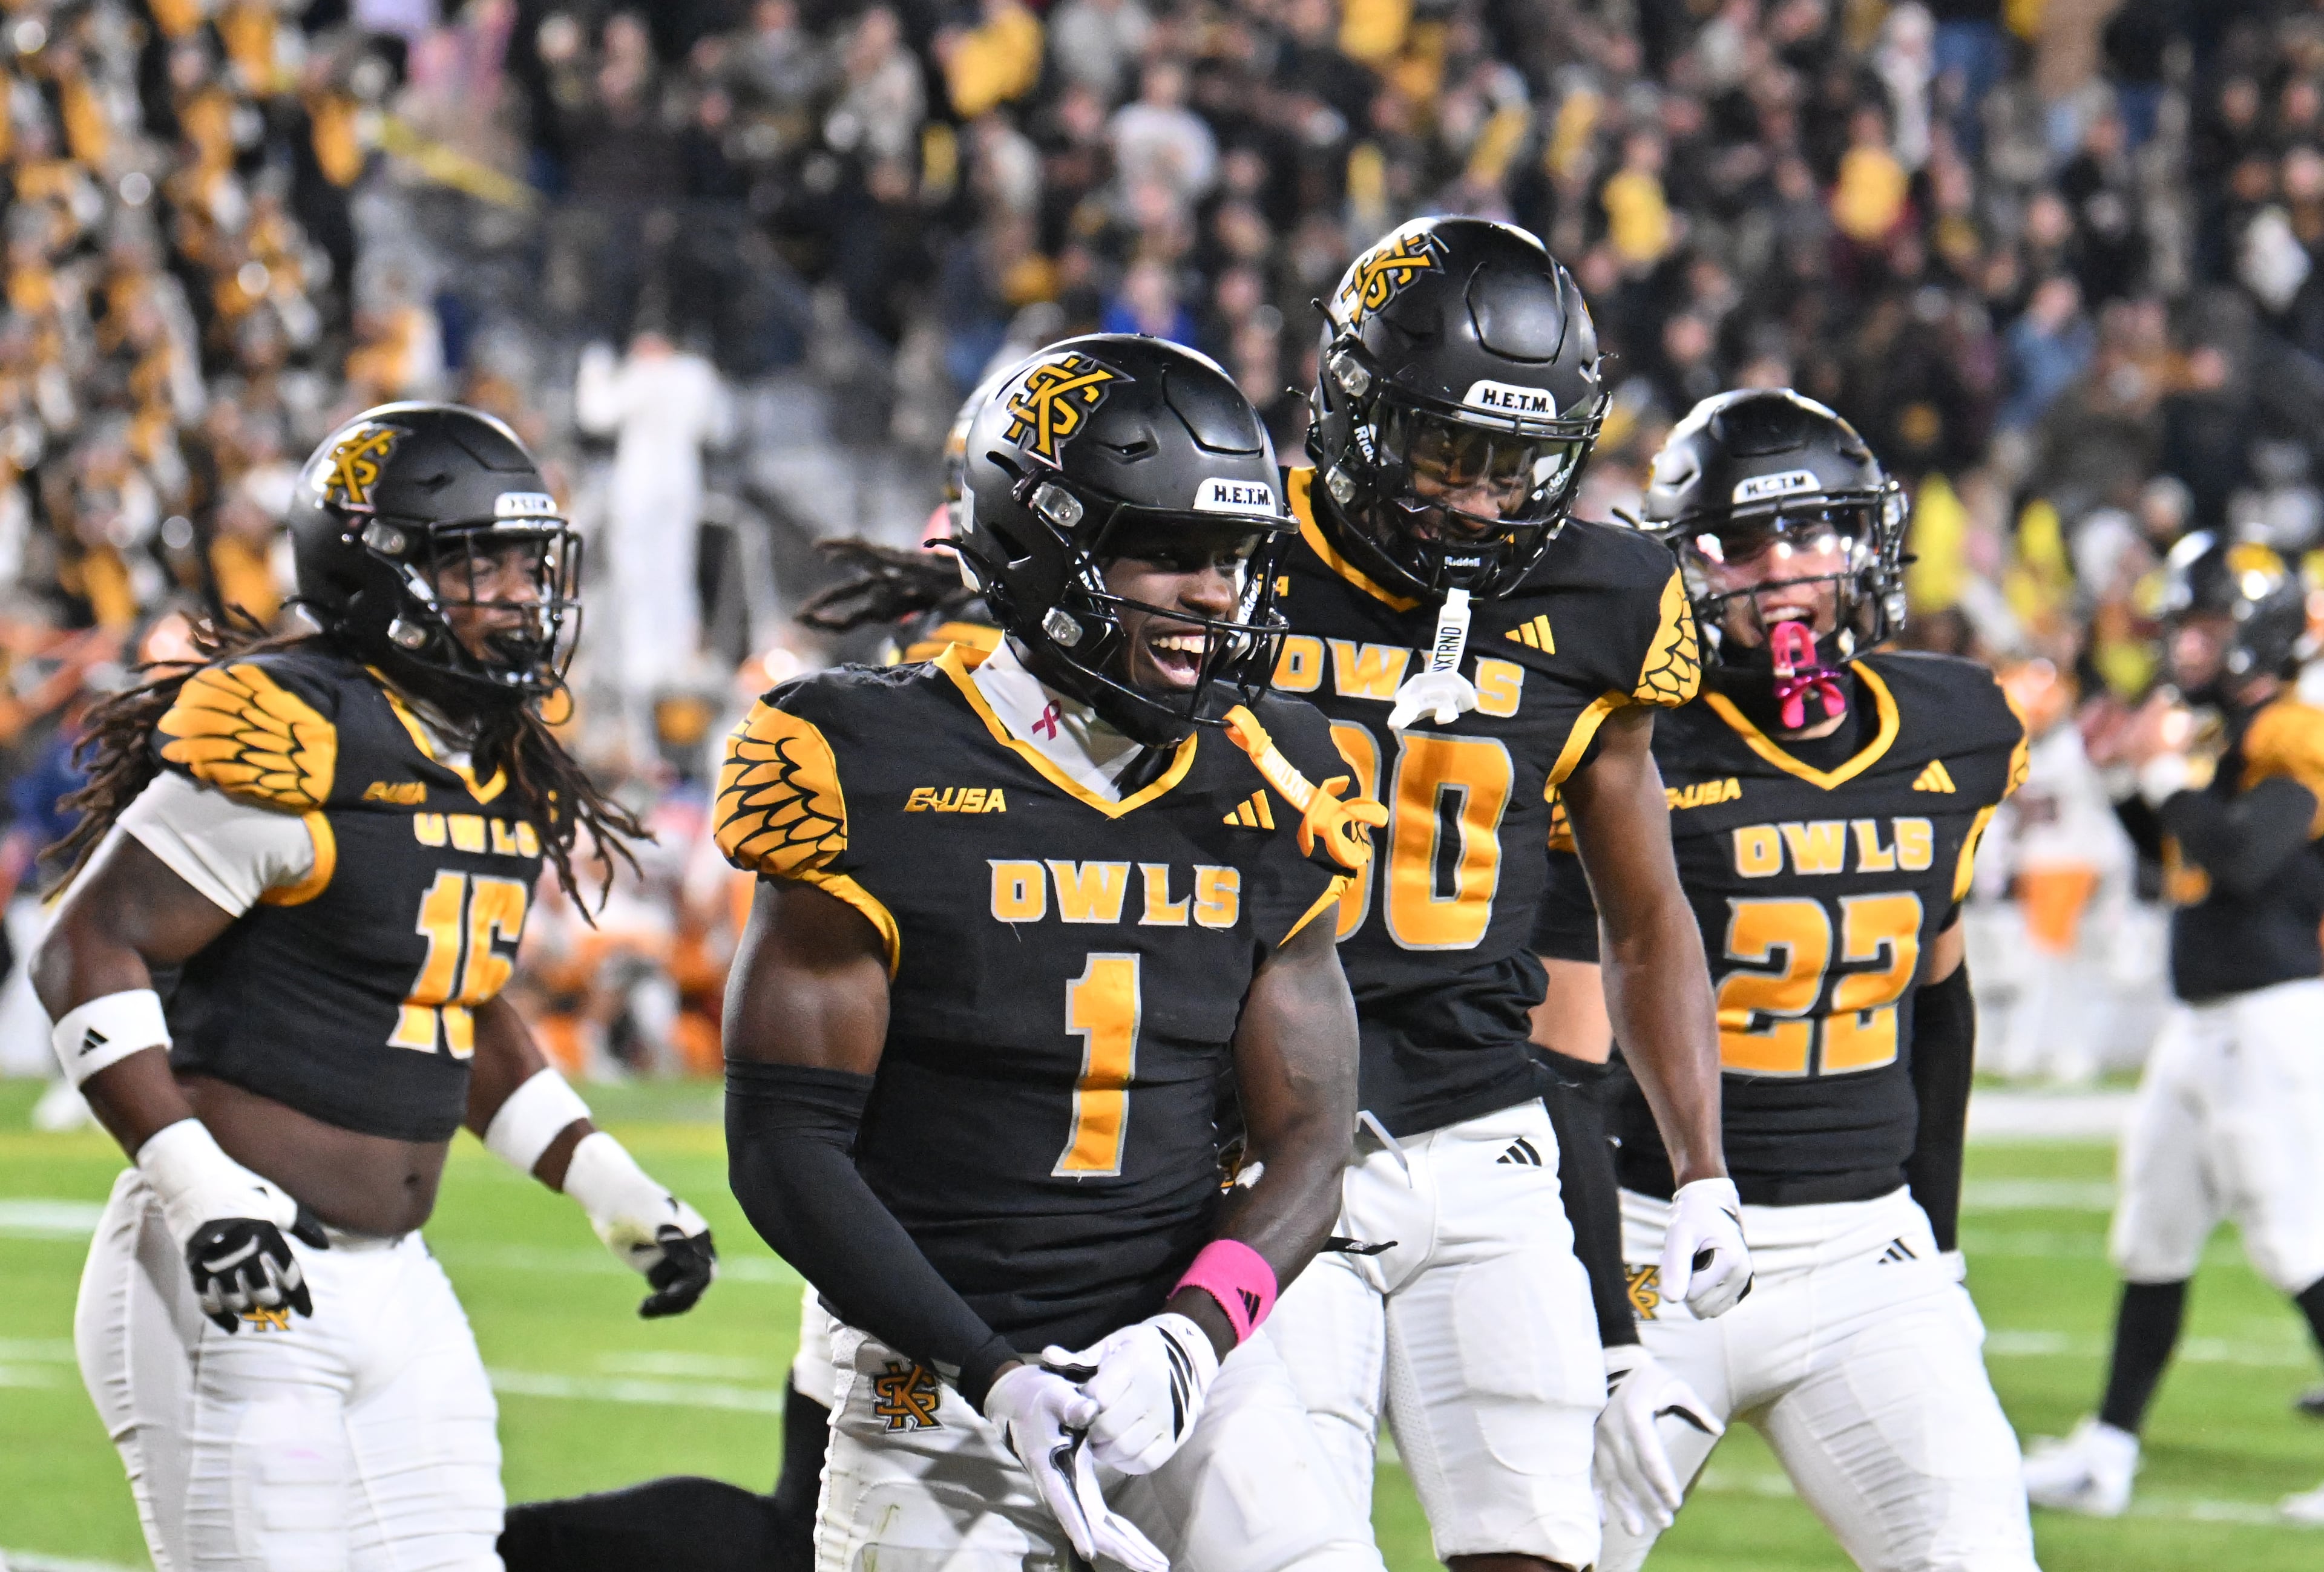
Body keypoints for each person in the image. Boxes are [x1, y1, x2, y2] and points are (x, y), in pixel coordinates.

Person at [721, 334, 1391, 1571]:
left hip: (1173, 1365)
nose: (1214, 597)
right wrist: (993, 1372)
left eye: (1234, 560)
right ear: (1043, 549)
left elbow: (1314, 1136)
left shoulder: (1280, 765)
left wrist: (1192, 1340)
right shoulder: (863, 761)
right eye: (1171, 556)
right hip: (928, 1376)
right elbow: (782, 1148)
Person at [36, 402, 718, 1572]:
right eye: (478, 564)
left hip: (399, 1283)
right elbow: (86, 948)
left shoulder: (490, 749)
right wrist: (204, 1194)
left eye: (526, 564)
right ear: (381, 570)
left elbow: (451, 996)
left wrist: (610, 1185)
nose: (517, 594)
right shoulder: (300, 730)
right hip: (241, 1275)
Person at [1264, 215, 1750, 1572]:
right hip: (1263, 1125)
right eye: (1445, 453)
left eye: (1518, 462)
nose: (1482, 498)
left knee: (1545, 1543)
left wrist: (1700, 1169)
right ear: (1356, 412)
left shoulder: (1603, 595)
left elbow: (1643, 910)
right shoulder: (1237, 558)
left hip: (1486, 1132)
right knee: (1291, 1545)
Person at [1534, 389, 2039, 1570]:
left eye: (1810, 534)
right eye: (1737, 546)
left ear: (1867, 539)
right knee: (1543, 1554)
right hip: (1659, 1239)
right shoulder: (1629, 746)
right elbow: (1560, 1059)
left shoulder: (1956, 728)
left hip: (1870, 1251)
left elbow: (1941, 1007)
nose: (1782, 574)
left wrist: (1943, 1245)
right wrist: (1606, 1332)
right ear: (1680, 568)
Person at [2021, 532, 2324, 1524]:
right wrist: (2122, 779)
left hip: (2273, 1017)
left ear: (2258, 633)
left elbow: (2244, 857)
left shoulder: (2295, 730)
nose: (2187, 647)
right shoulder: (2211, 733)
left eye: (2206, 626)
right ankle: (2107, 1449)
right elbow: (2173, 865)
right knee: (2151, 1235)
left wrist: (2157, 774)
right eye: (2184, 626)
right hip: (2201, 1023)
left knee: (2296, 1243)